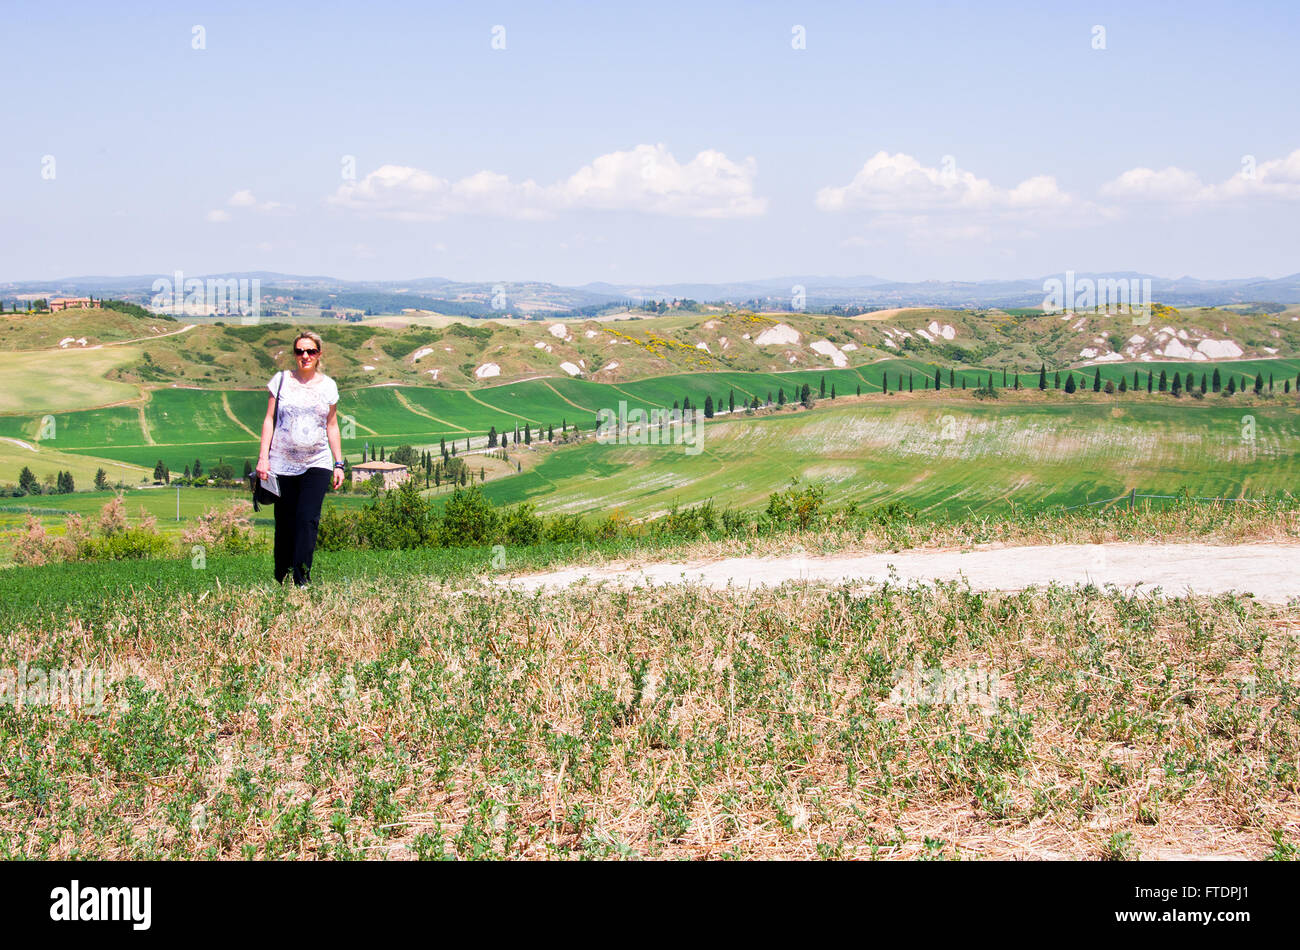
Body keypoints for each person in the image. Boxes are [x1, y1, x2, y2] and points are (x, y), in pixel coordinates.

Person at [255, 330, 344, 587]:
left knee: (307, 519)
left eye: (311, 351)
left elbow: (332, 425)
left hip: (317, 462)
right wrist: (263, 458)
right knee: (285, 522)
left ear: (319, 354)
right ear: (294, 354)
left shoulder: (328, 385)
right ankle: (281, 576)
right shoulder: (280, 381)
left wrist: (339, 463)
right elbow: (269, 420)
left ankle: (302, 578)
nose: (305, 356)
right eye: (300, 351)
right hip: (281, 463)